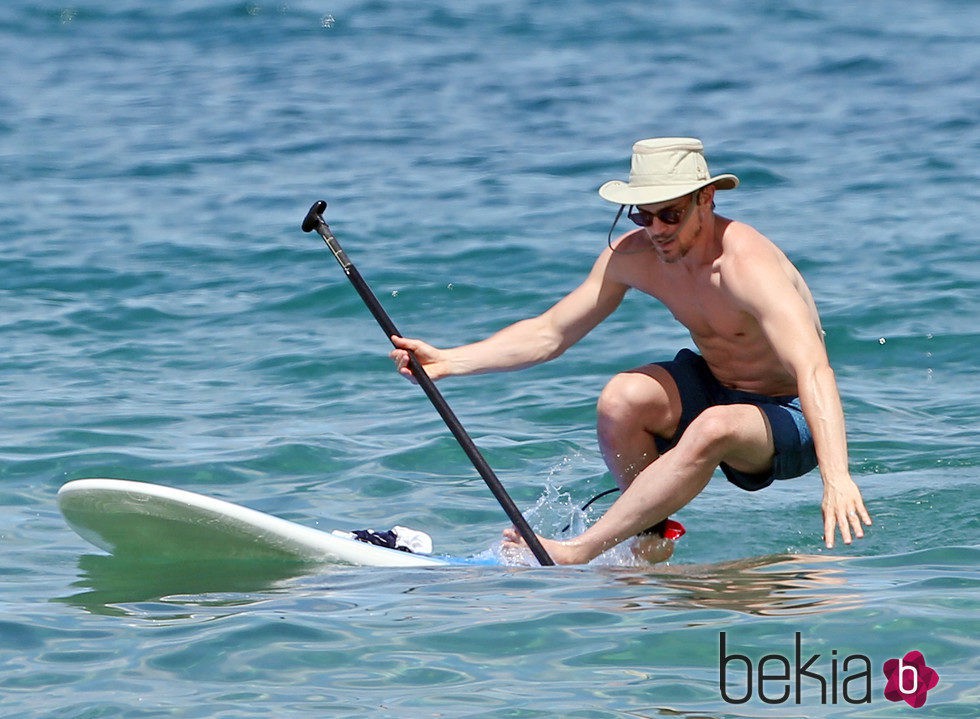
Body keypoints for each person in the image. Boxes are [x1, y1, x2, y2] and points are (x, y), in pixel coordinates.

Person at [390, 137, 872, 565]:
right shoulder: (635, 255)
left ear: (707, 200)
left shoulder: (747, 266)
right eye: (644, 214)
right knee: (621, 397)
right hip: (717, 387)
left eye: (671, 214)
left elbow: (813, 368)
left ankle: (581, 550)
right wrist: (450, 361)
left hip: (789, 417)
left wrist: (837, 478)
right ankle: (650, 535)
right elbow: (550, 332)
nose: (656, 229)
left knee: (715, 425)